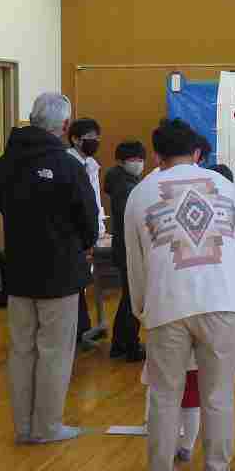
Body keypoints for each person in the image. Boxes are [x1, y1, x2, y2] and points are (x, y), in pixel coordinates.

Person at [124, 119, 235, 471]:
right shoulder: (225, 186)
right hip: (222, 301)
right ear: (196, 152)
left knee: (164, 395)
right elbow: (233, 246)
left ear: (156, 154)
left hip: (167, 302)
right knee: (218, 395)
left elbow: (135, 262)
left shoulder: (140, 194)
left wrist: (141, 310)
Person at [0, 92, 98, 445]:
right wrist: (81, 243)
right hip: (60, 273)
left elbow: (3, 203)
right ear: (65, 126)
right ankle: (48, 426)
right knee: (54, 351)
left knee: (21, 350)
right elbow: (88, 220)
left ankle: (24, 427)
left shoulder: (4, 164)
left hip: (19, 270)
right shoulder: (68, 166)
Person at [104, 140, 147, 363]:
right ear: (121, 161)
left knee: (129, 298)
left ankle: (122, 344)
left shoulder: (125, 181)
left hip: (125, 247)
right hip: (128, 248)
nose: (138, 163)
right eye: (133, 159)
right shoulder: (124, 185)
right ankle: (127, 345)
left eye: (141, 159)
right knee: (132, 299)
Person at [67, 117, 105, 345]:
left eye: (97, 137)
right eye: (89, 137)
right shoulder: (68, 163)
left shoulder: (91, 164)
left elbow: (95, 202)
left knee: (82, 282)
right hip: (74, 234)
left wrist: (99, 230)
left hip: (90, 230)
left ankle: (85, 328)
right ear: (75, 139)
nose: (94, 141)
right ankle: (79, 330)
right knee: (75, 283)